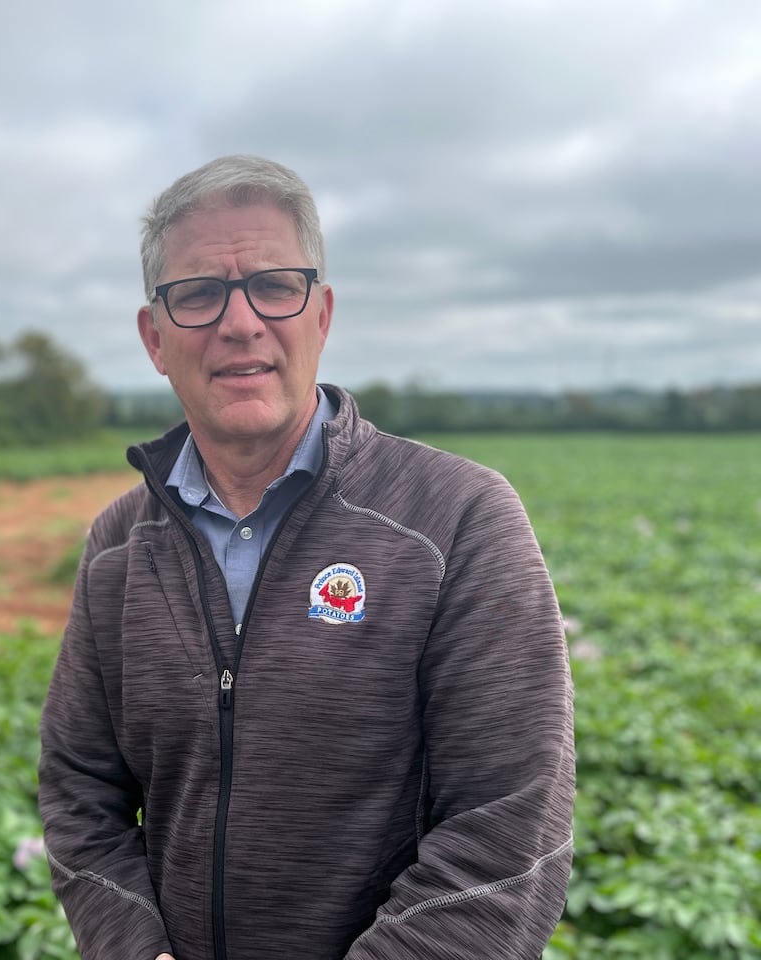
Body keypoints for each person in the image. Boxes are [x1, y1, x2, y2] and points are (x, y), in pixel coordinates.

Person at [37, 155, 574, 960]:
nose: (241, 322)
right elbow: (80, 790)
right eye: (199, 294)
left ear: (321, 314)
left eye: (274, 286)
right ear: (155, 338)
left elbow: (509, 829)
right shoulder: (118, 546)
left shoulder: (457, 519)